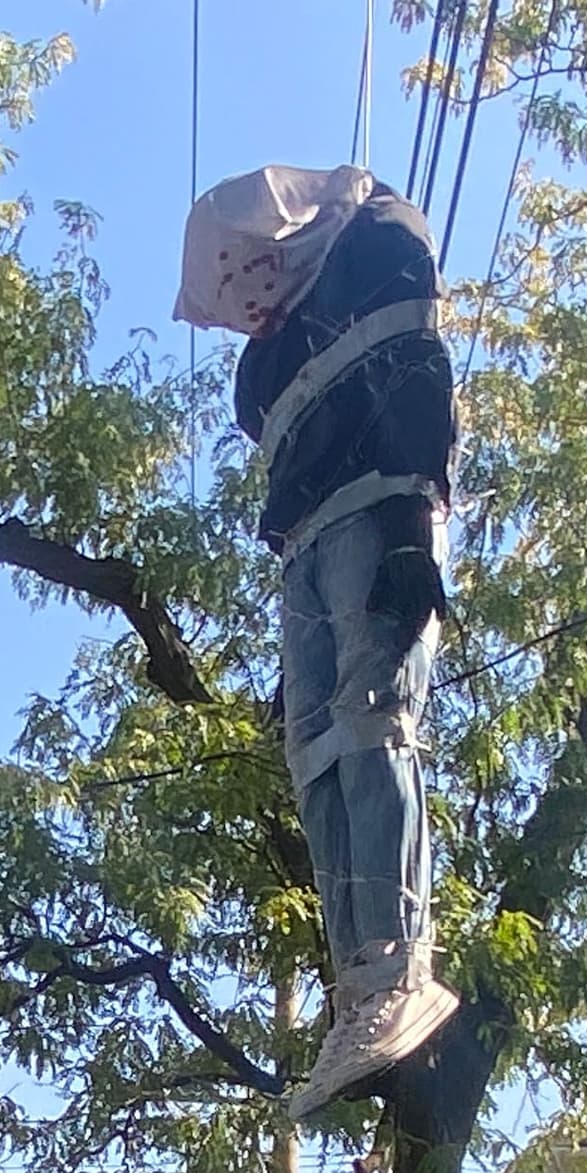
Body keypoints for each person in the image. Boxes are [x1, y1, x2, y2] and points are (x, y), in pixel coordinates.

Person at [177, 164, 461, 1115]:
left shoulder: (379, 246)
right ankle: (357, 987)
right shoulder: (270, 363)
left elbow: (422, 373)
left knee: (373, 716)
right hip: (305, 538)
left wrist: (416, 536)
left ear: (274, 245)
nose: (245, 315)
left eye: (245, 285)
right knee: (316, 748)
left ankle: (395, 965)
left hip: (380, 510)